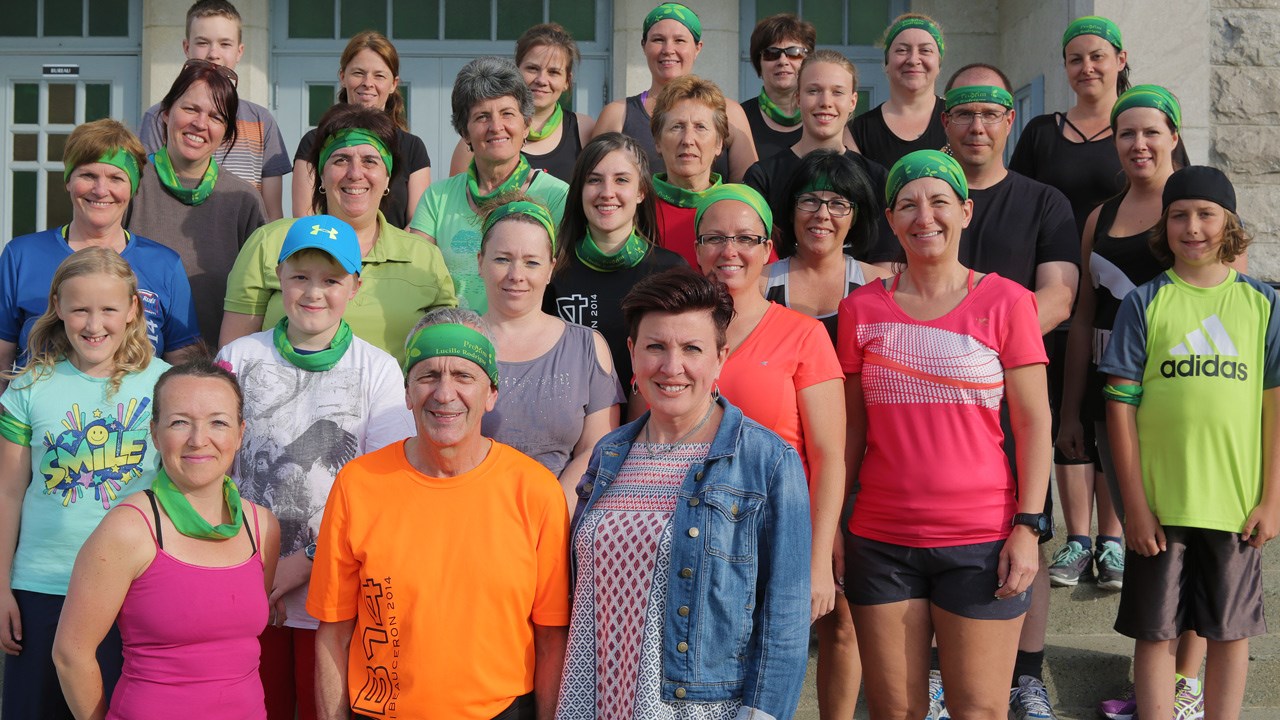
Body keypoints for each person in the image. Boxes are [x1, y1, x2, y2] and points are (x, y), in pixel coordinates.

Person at [837, 150, 1052, 720]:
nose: (924, 216)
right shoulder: (860, 309)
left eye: (938, 202)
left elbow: (1034, 423)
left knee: (978, 710)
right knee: (894, 711)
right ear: (890, 219)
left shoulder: (1008, 301)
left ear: (965, 211)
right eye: (908, 205)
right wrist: (832, 524)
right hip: (881, 540)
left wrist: (1029, 526)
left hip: (982, 539)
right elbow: (850, 431)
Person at [556, 267, 810, 719]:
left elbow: (785, 617)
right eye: (655, 347)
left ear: (720, 357)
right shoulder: (609, 454)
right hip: (594, 699)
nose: (671, 367)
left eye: (692, 348)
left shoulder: (766, 461)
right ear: (632, 353)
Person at [309, 308, 570, 719]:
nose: (445, 394)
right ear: (407, 393)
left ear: (491, 393)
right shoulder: (357, 484)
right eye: (428, 375)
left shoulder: (535, 491)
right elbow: (333, 633)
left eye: (464, 375)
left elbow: (551, 638)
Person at [1056, 86, 1217, 719]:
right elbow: (1082, 318)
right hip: (1114, 397)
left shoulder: (1200, 208)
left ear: (1174, 134)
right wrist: (1071, 410)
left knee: (1195, 538)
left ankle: (1184, 682)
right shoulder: (1100, 216)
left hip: (1189, 399)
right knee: (1152, 547)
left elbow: (1227, 301)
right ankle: (1155, 678)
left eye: (1151, 131)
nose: (1139, 144)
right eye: (1126, 133)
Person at [215, 216, 413, 720]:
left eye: (331, 280)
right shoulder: (238, 357)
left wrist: (302, 562)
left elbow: (386, 487)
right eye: (300, 276)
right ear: (279, 277)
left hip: (331, 594)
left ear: (355, 287)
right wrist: (253, 567)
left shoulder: (378, 370)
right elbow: (212, 467)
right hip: (245, 585)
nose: (313, 292)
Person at [1101, 165, 1279, 720]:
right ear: (1164, 225)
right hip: (1161, 505)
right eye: (1179, 215)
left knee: (1229, 632)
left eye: (1206, 214)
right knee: (1156, 634)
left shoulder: (1263, 305)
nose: (1193, 227)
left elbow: (1275, 410)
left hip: (1234, 506)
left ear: (1230, 223)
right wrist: (1134, 505)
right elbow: (1119, 409)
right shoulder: (1144, 303)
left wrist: (1272, 499)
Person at [941, 64, 1081, 720]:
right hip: (928, 398)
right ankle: (940, 674)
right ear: (946, 122)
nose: (977, 125)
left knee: (1029, 528)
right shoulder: (923, 191)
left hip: (1014, 394)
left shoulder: (1044, 201)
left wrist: (979, 342)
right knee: (936, 533)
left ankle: (1026, 675)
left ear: (1009, 121)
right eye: (965, 112)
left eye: (990, 113)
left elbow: (1060, 293)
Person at [694, 184, 852, 717]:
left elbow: (828, 455)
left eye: (745, 238)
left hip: (775, 537)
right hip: (692, 536)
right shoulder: (674, 332)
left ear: (768, 250)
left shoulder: (803, 335)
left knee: (763, 695)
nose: (729, 250)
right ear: (697, 249)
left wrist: (818, 560)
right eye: (715, 238)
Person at [53, 359, 281, 719]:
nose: (198, 440)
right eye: (180, 422)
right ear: (155, 434)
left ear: (240, 434)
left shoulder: (262, 526)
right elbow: (71, 654)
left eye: (218, 422)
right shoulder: (128, 528)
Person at [0, 248, 169, 718]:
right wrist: (1, 586)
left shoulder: (167, 386)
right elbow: (8, 492)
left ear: (133, 309)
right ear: (57, 306)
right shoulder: (28, 387)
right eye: (80, 309)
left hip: (135, 587)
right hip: (42, 585)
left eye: (109, 309)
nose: (94, 325)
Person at [221, 106, 456, 366]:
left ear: (388, 178)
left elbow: (444, 359)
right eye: (341, 160)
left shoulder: (424, 257)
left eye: (370, 161)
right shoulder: (269, 243)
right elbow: (234, 358)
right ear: (322, 175)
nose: (355, 173)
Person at [0, 119, 198, 386]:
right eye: (88, 175)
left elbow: (183, 363)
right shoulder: (22, 256)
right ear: (68, 181)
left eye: (116, 178)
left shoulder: (164, 265)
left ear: (133, 188)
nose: (101, 190)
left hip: (137, 412)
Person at [476, 196, 622, 504]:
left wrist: (552, 515)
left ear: (550, 269)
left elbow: (596, 449)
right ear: (480, 262)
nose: (516, 274)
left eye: (531, 262)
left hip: (560, 517)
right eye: (502, 259)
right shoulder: (454, 345)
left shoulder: (587, 347)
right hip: (472, 516)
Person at [410, 57, 570, 313]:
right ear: (465, 132)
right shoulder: (437, 197)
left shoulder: (556, 195)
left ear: (526, 125)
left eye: (507, 114)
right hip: (451, 333)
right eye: (482, 117)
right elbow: (417, 277)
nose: (496, 127)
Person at [127, 58, 267, 347]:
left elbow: (261, 294)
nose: (200, 124)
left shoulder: (243, 200)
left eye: (216, 117)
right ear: (166, 112)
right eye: (190, 109)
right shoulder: (130, 185)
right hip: (133, 363)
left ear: (226, 132)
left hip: (217, 364)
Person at [546, 133, 686, 399]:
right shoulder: (552, 269)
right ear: (579, 191)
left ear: (641, 191)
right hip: (571, 417)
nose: (607, 192)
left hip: (649, 416)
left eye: (621, 180)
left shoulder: (671, 271)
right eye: (594, 180)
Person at [742, 49, 898, 265]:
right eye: (813, 91)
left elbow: (885, 263)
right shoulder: (763, 177)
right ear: (798, 98)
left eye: (837, 92)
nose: (825, 102)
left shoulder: (877, 178)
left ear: (853, 101)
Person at [139, 0, 291, 221]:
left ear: (239, 51)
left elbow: (272, 212)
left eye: (225, 44)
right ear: (186, 47)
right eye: (202, 42)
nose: (213, 54)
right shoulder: (158, 117)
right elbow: (146, 187)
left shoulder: (262, 120)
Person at [592, 2, 757, 182]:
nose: (668, 50)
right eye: (658, 40)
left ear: (698, 48)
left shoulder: (730, 113)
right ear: (644, 46)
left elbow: (748, 188)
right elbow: (592, 181)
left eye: (679, 40)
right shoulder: (617, 115)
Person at [291, 31, 431, 228]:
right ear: (342, 77)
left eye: (379, 75)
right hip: (326, 247)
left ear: (393, 84)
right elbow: (305, 216)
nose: (368, 83)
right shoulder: (314, 141)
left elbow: (417, 223)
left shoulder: (412, 147)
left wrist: (385, 248)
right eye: (358, 73)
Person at [450, 23, 595, 183]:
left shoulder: (584, 129)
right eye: (532, 69)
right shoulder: (478, 139)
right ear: (516, 71)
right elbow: (458, 196)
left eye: (553, 72)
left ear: (567, 80)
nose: (541, 80)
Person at [848, 13, 948, 168]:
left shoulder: (960, 120)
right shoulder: (857, 132)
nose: (913, 60)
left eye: (925, 50)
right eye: (902, 50)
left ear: (939, 64)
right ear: (886, 63)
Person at [741, 14, 815, 162]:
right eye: (771, 53)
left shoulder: (824, 116)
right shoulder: (740, 119)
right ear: (759, 64)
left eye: (794, 52)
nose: (783, 61)